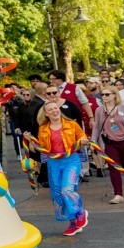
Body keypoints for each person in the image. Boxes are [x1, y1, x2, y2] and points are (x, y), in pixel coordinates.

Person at [34, 97, 89, 236]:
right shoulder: (43, 129)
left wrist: (83, 140)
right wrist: (31, 141)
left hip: (71, 160)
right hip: (54, 163)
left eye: (55, 108)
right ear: (46, 113)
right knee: (58, 194)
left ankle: (80, 212)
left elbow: (83, 138)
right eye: (50, 109)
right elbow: (42, 147)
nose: (54, 111)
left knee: (67, 190)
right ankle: (73, 222)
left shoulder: (71, 124)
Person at [91, 85, 124, 202]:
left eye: (107, 94)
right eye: (102, 94)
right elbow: (97, 127)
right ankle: (118, 194)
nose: (104, 97)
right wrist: (93, 142)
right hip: (109, 143)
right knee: (113, 168)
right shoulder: (99, 110)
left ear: (114, 95)